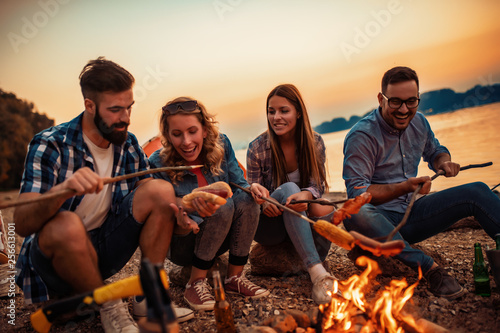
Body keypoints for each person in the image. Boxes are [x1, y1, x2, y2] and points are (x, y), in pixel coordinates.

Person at [14, 57, 193, 333]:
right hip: (57, 262)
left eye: (129, 107)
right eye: (115, 109)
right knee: (67, 224)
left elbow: (156, 203)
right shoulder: (49, 144)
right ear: (89, 105)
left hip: (104, 249)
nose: (125, 118)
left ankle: (148, 298)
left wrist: (188, 207)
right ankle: (110, 308)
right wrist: (63, 190)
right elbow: (23, 223)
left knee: (161, 190)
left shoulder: (127, 142)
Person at [342, 66, 500, 300]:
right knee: (355, 213)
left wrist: (444, 162)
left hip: (412, 216)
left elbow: (436, 151)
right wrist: (405, 186)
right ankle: (430, 269)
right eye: (395, 102)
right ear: (381, 98)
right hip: (377, 222)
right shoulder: (361, 136)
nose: (404, 110)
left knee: (477, 190)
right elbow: (358, 193)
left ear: (418, 99)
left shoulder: (420, 123)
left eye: (411, 102)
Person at [148, 97, 269, 311]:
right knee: (222, 204)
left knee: (246, 198)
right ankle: (194, 283)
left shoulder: (222, 145)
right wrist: (182, 214)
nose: (186, 142)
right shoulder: (158, 162)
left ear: (204, 129)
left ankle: (234, 278)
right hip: (182, 240)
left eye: (192, 131)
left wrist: (254, 189)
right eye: (177, 134)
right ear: (167, 136)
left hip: (220, 234)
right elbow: (160, 209)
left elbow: (239, 184)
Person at [246, 84, 336, 305]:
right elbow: (251, 194)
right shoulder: (257, 148)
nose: (276, 117)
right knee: (288, 189)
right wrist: (263, 202)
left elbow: (317, 186)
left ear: (298, 112)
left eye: (283, 110)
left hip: (299, 217)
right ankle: (317, 273)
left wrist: (305, 196)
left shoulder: (315, 142)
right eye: (271, 111)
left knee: (326, 206)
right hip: (270, 225)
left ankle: (309, 261)